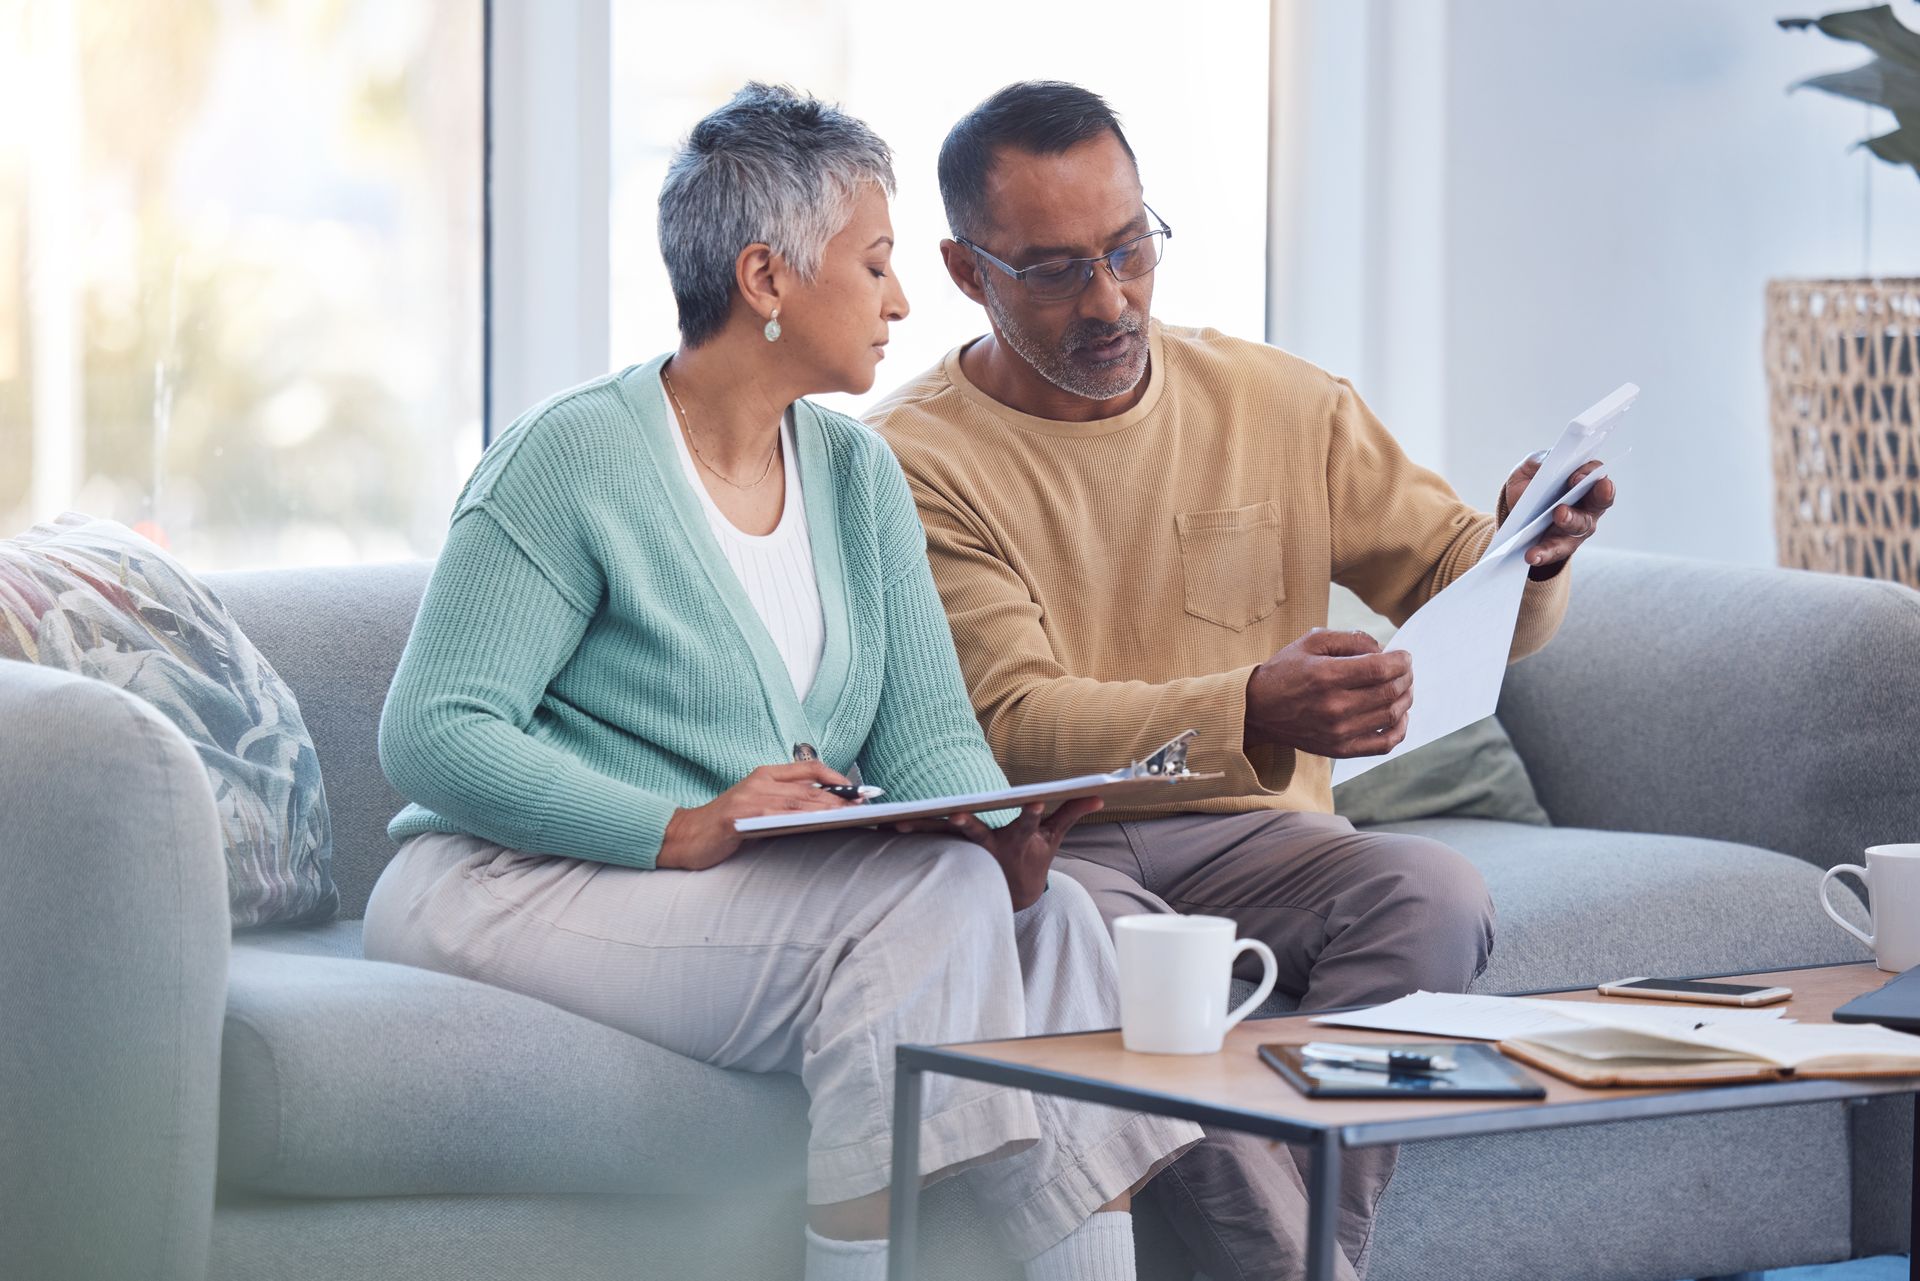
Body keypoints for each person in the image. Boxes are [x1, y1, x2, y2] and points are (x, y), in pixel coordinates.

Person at [360, 83, 1203, 1281]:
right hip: (509, 881)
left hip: (733, 894)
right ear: (766, 279)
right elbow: (434, 733)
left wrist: (1006, 837)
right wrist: (683, 825)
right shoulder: (572, 459)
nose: (903, 300)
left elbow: (930, 748)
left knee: (1055, 918)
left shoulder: (858, 478)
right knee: (933, 907)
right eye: (874, 265)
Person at [867, 81, 1617, 1281]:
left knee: (1434, 890)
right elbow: (1012, 726)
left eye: (1129, 249)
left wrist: (1530, 550)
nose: (1110, 300)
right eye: (1057, 271)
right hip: (1063, 843)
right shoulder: (907, 462)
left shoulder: (1279, 402)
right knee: (1101, 961)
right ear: (968, 271)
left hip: (1262, 839)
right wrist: (1249, 705)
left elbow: (1447, 572)